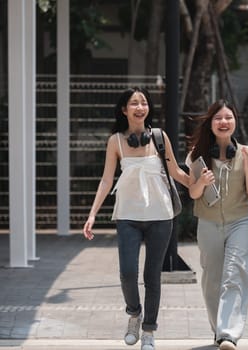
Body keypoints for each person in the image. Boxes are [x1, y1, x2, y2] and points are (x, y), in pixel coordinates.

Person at [82, 87, 189, 350]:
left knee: (152, 276)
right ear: (124, 109)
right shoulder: (116, 141)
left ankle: (149, 331)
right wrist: (93, 213)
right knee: (127, 273)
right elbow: (107, 179)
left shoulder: (159, 137)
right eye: (134, 103)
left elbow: (175, 171)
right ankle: (134, 313)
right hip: (128, 216)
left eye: (144, 102)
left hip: (160, 216)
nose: (140, 107)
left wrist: (198, 183)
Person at [186, 99, 248, 350]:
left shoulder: (247, 153)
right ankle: (219, 331)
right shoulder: (197, 155)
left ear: (235, 122)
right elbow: (193, 193)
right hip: (208, 223)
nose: (223, 122)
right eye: (218, 118)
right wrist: (202, 183)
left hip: (239, 220)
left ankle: (228, 334)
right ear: (211, 123)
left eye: (228, 117)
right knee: (212, 279)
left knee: (235, 275)